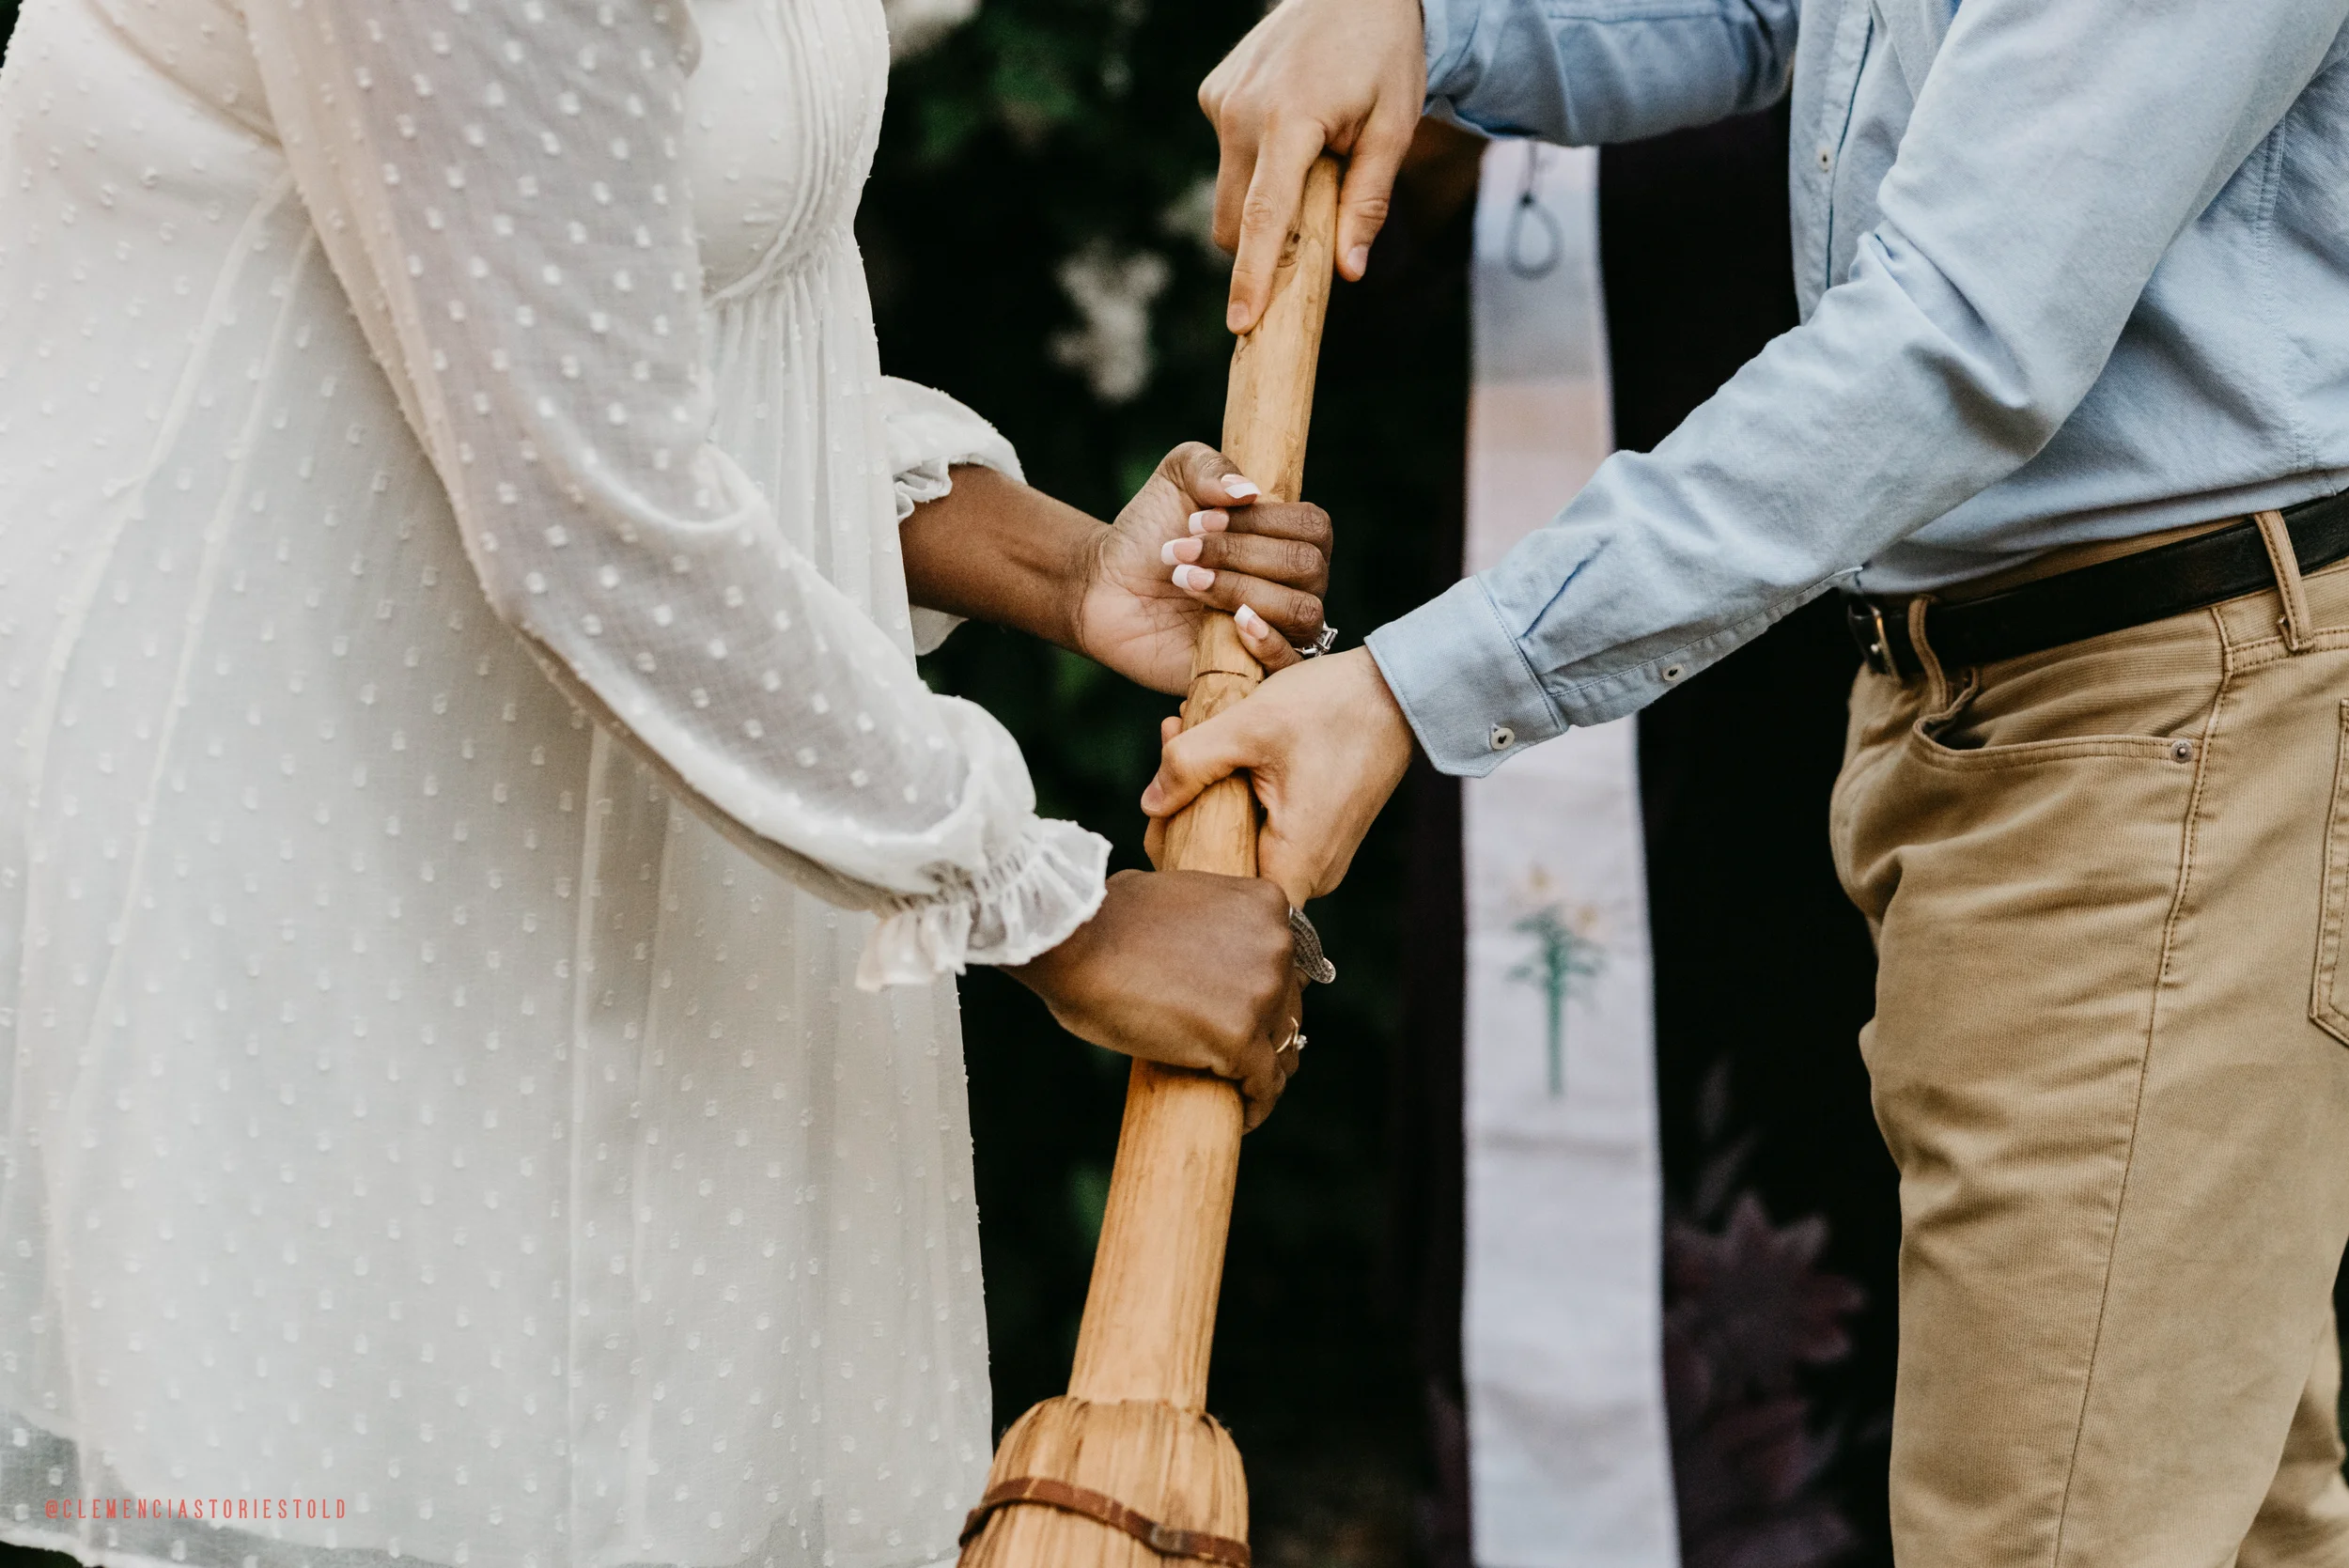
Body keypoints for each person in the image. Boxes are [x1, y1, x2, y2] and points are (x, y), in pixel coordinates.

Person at [0, 1, 1335, 1566]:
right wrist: (1059, 911)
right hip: (318, 864)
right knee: (405, 1472)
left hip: (628, 829)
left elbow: (645, 324)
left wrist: (1065, 569)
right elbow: (585, 502)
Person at [1150, 0, 2349, 1562]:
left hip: (2165, 720)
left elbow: (1962, 340)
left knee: (2057, 1532)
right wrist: (1422, 23)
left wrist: (1407, 691)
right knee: (2230, 1515)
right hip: (2033, 702)